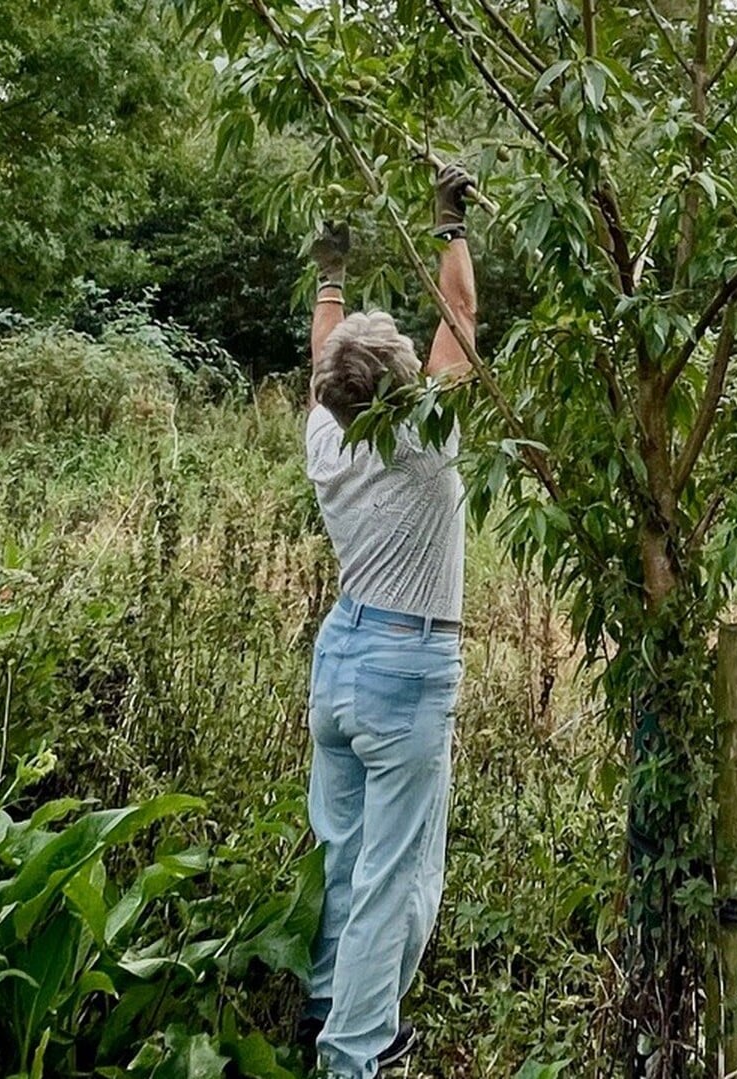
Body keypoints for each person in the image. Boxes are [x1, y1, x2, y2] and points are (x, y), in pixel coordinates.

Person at [296, 164, 478, 1077]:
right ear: (402, 384)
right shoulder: (420, 438)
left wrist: (330, 274)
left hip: (341, 659)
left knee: (345, 855)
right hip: (405, 665)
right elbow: (461, 327)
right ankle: (354, 1052)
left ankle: (332, 1003)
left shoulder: (327, 434)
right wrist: (451, 227)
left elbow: (328, 356)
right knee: (393, 872)